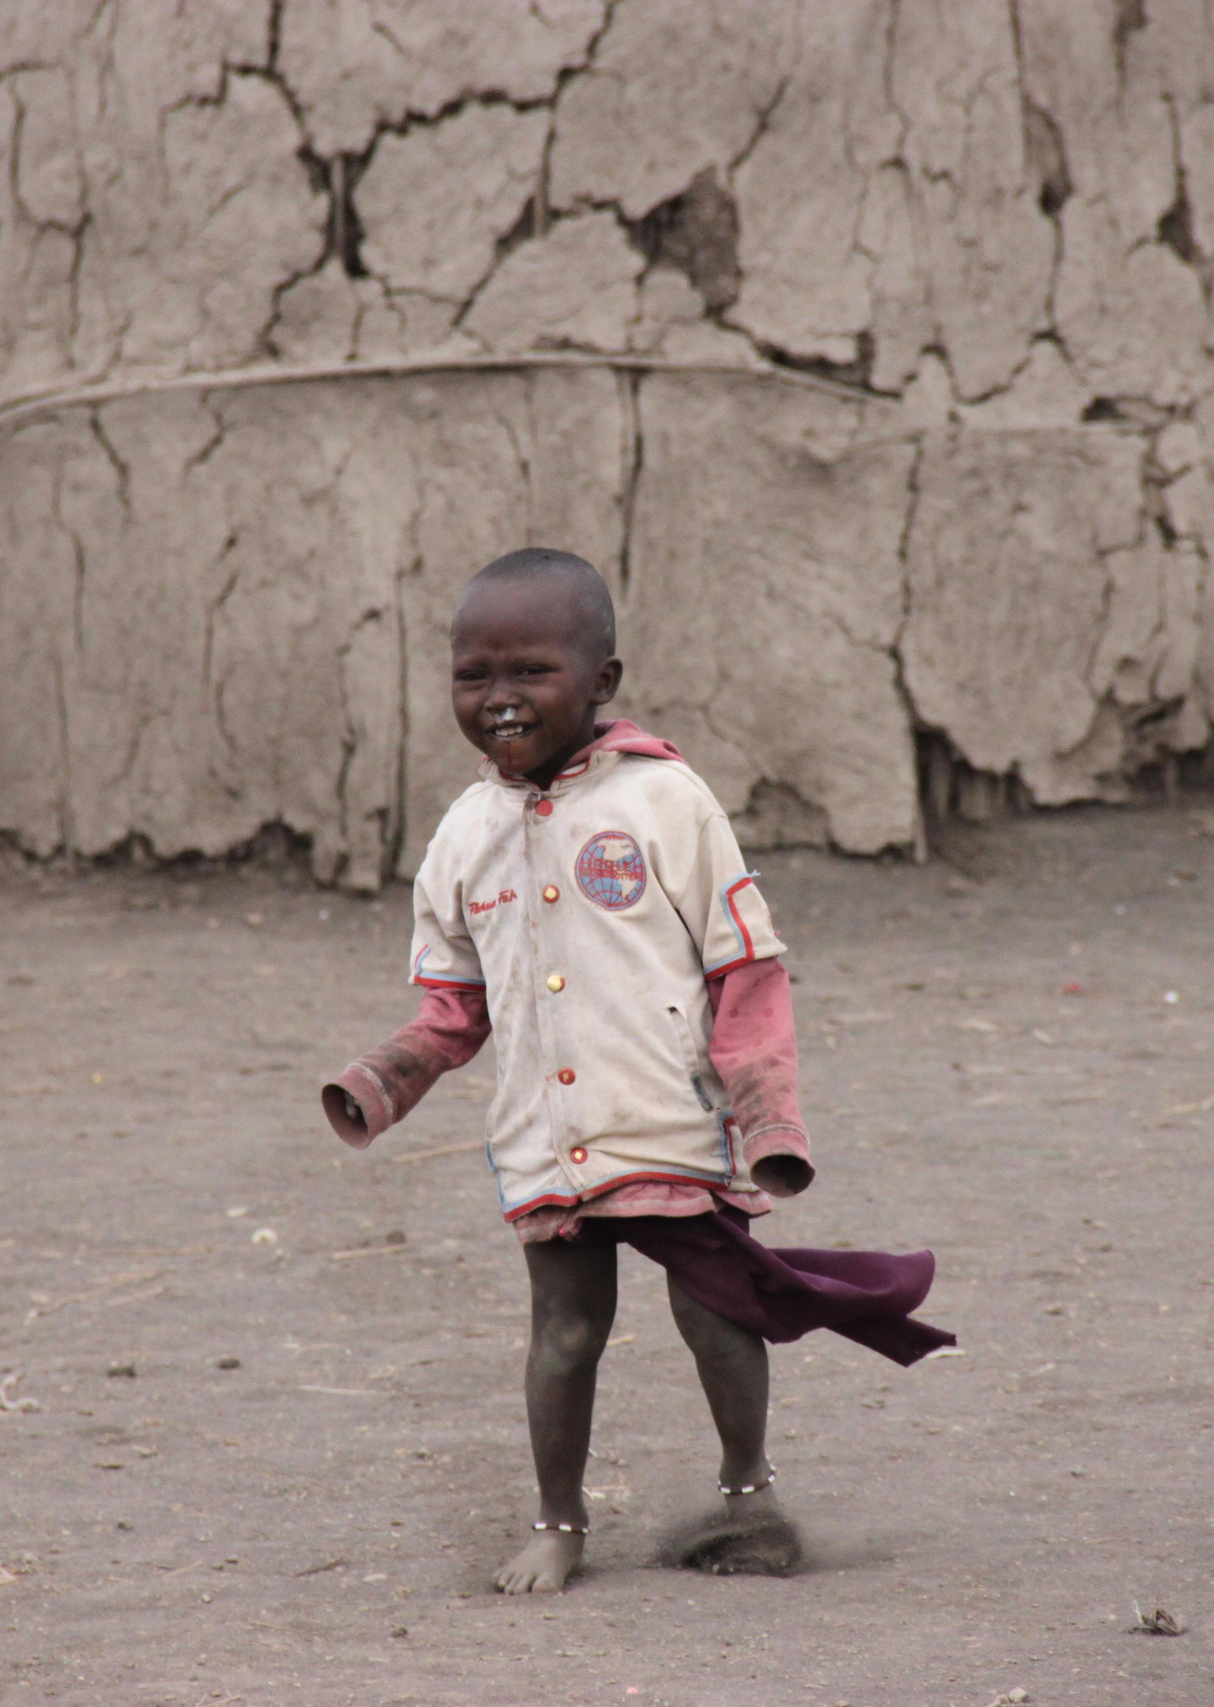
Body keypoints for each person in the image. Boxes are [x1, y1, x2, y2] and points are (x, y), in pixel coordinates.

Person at [320, 547, 954, 1596]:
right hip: (544, 1138)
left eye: (530, 671)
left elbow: (744, 969)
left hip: (668, 1121)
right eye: (473, 676)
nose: (500, 699)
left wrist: (770, 1120)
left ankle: (746, 1495)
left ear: (602, 681)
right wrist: (382, 1081)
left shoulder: (667, 802)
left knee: (715, 1309)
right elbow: (455, 1007)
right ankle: (559, 1521)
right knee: (564, 1332)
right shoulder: (463, 835)